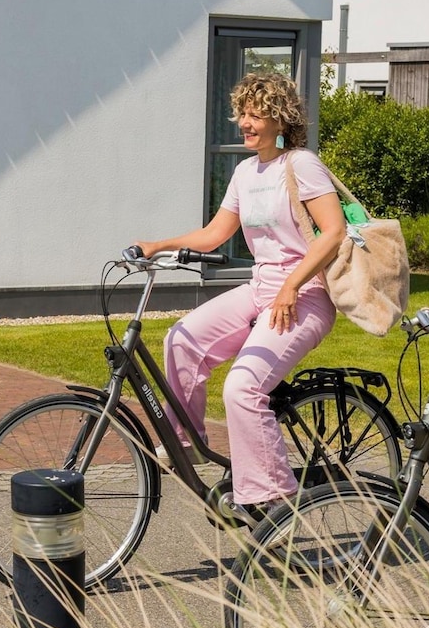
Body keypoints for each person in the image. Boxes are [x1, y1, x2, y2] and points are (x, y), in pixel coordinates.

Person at [135, 72, 347, 516]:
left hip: (303, 296)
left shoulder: (301, 164)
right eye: (241, 114)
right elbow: (215, 234)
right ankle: (188, 442)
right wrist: (159, 245)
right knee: (181, 339)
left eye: (255, 114)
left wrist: (291, 285)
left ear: (280, 119)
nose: (244, 122)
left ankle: (274, 500)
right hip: (260, 289)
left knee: (243, 387)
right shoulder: (245, 172)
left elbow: (333, 232)